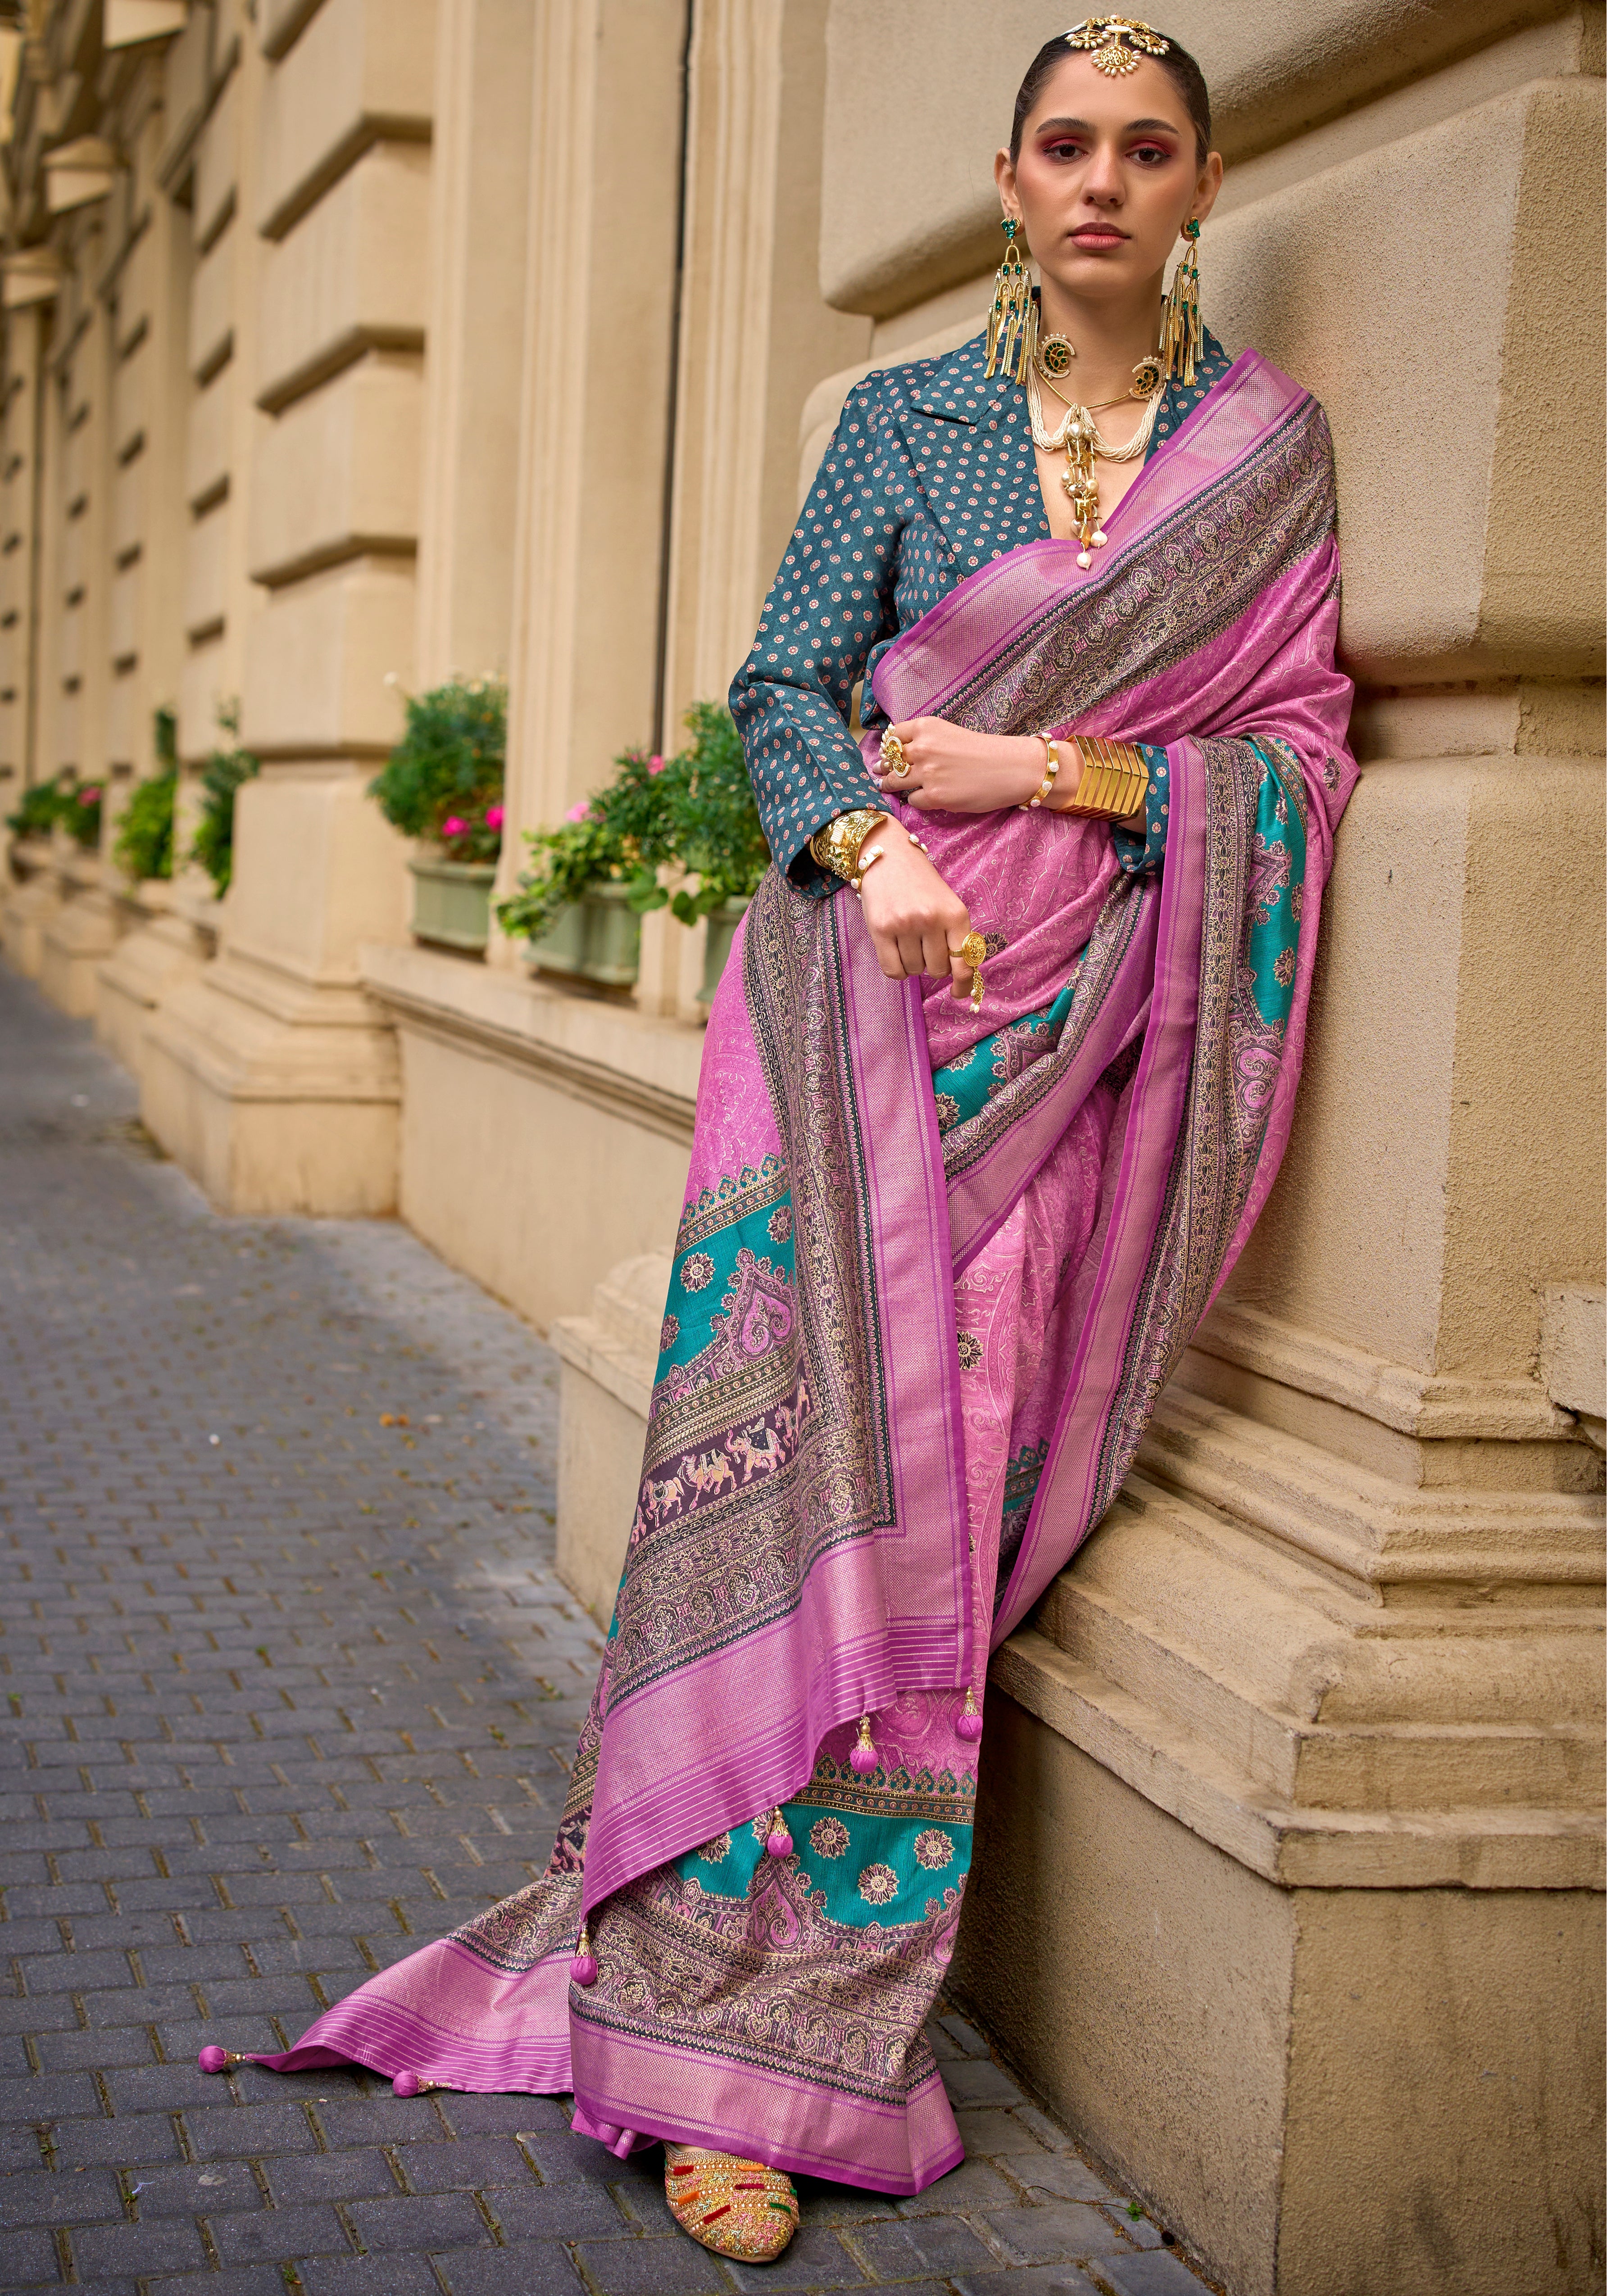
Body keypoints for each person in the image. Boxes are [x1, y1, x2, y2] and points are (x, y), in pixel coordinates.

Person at [216, 18, 1357, 2267]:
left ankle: (805, 2048)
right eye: (1063, 146)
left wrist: (1047, 786)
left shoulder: (1266, 454)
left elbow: (1300, 755)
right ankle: (676, 1998)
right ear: (1010, 180)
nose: (1103, 180)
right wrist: (871, 838)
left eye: (1146, 147)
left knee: (921, 1564)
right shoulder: (906, 422)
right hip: (858, 1035)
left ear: (1205, 184)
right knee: (781, 1505)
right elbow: (777, 687)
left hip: (1085, 1058)